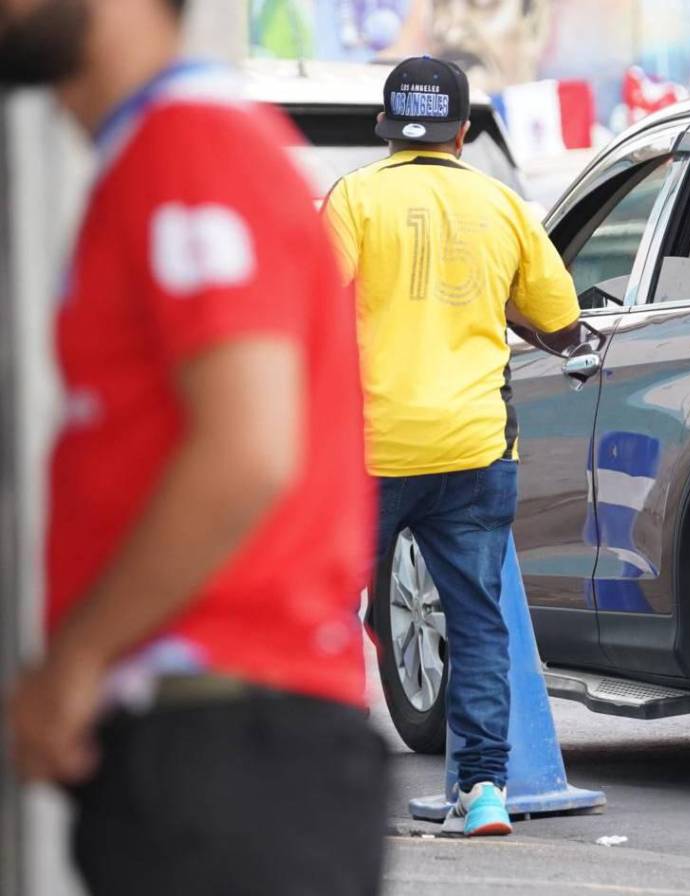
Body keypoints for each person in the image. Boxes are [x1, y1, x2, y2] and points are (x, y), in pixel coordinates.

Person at [2, 1, 385, 894]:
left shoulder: (188, 145)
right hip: (218, 755)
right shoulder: (162, 148)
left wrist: (75, 665)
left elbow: (248, 448)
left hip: (230, 753)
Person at [323, 55, 581, 837]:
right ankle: (485, 794)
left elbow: (312, 310)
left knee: (328, 609)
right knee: (474, 621)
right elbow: (562, 322)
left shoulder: (354, 199)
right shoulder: (501, 204)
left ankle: (331, 782)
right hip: (471, 447)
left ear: (386, 127)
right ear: (463, 132)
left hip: (366, 449)